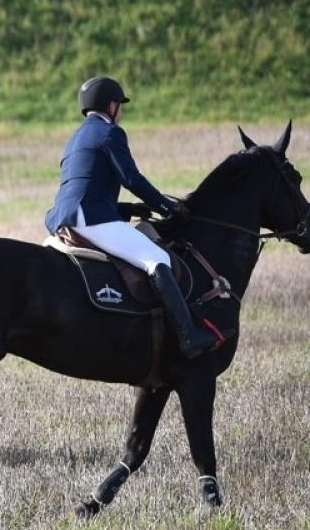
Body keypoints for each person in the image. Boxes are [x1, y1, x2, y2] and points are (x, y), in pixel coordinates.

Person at [45, 77, 214, 358]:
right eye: (119, 106)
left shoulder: (75, 138)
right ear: (111, 106)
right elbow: (131, 178)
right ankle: (189, 336)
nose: (120, 112)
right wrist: (166, 207)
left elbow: (87, 187)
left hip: (62, 218)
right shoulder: (111, 133)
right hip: (89, 220)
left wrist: (129, 210)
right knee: (157, 260)